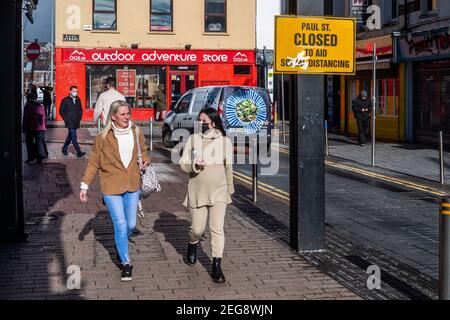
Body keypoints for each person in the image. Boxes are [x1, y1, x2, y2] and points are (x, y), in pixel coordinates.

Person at [80, 100, 149, 282]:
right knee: (120, 224)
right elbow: (94, 162)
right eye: (123, 114)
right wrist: (84, 185)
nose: (127, 117)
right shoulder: (103, 138)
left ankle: (120, 247)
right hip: (110, 186)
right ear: (114, 117)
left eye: (128, 114)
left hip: (132, 184)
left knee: (131, 224)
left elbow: (143, 150)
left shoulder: (137, 132)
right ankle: (126, 262)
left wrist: (146, 160)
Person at [179, 107, 234, 283]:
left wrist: (229, 190)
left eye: (204, 121)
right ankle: (192, 244)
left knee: (217, 229)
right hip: (198, 190)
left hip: (219, 190)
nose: (200, 124)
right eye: (199, 121)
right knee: (197, 229)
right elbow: (183, 163)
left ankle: (216, 265)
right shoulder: (194, 139)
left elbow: (228, 167)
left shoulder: (225, 142)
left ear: (214, 122)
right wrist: (195, 164)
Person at [59, 86, 86, 157]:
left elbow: (80, 110)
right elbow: (61, 111)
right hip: (69, 122)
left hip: (76, 121)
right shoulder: (65, 100)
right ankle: (79, 152)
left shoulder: (78, 99)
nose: (75, 92)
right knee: (74, 137)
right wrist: (66, 118)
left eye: (76, 91)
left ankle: (64, 149)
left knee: (70, 136)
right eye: (74, 91)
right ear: (70, 91)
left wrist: (79, 119)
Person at [22, 89, 47, 164]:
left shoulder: (28, 105)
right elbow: (44, 118)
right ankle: (40, 157)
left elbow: (26, 118)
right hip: (41, 128)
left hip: (31, 128)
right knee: (40, 142)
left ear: (28, 99)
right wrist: (44, 127)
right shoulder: (41, 106)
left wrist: (24, 128)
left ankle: (31, 158)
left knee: (29, 143)